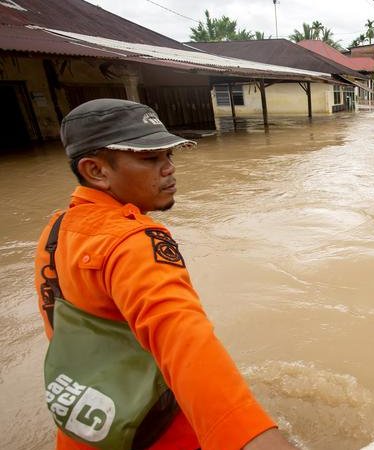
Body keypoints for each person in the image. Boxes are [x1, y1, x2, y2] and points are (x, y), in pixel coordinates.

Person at [34, 99, 297, 450]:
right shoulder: (133, 240)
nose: (169, 169)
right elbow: (184, 340)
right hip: (155, 433)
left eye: (168, 156)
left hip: (85, 430)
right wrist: (251, 436)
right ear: (96, 170)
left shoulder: (56, 229)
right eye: (149, 159)